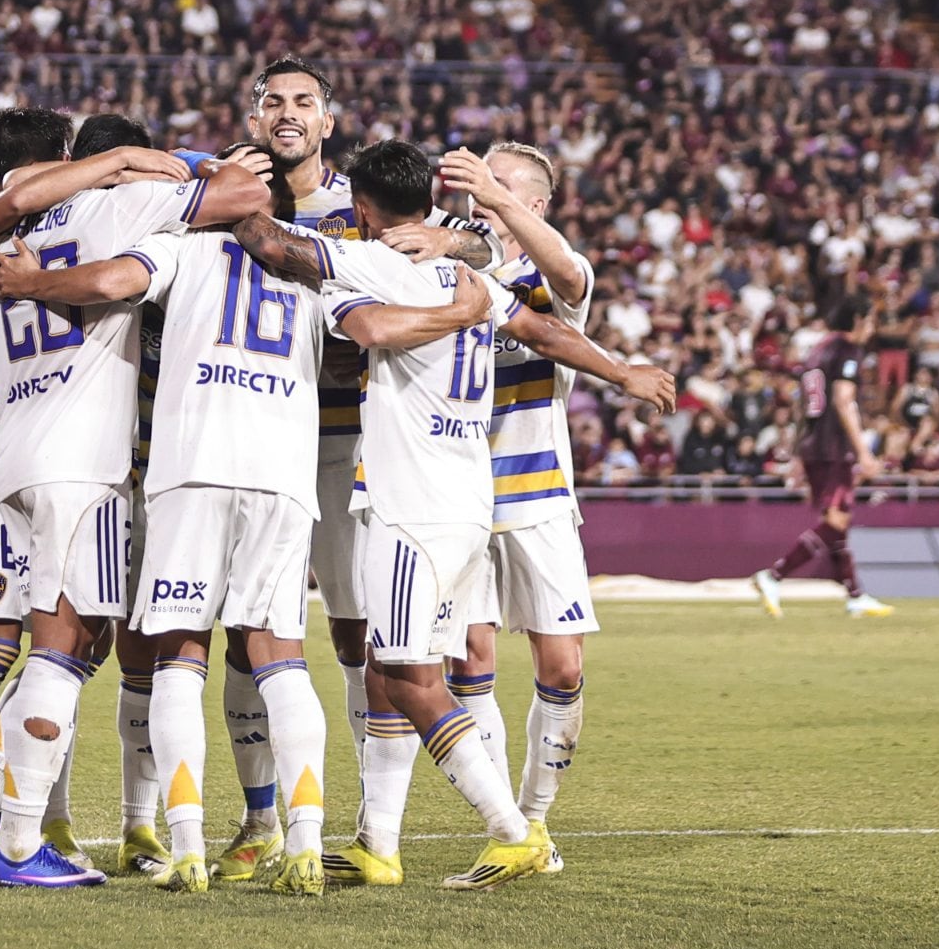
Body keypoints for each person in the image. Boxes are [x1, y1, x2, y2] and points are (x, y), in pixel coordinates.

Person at [0, 201, 492, 894]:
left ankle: (187, 846)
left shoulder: (179, 246)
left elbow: (107, 283)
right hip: (283, 477)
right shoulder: (313, 259)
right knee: (281, 657)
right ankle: (306, 840)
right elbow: (369, 332)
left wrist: (33, 282)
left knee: (179, 653)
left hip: (191, 468)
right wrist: (460, 308)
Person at [231, 141, 674, 889]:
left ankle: (512, 829)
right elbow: (542, 330)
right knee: (385, 665)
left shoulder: (370, 264)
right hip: (469, 498)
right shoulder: (470, 273)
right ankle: (378, 840)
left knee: (407, 674)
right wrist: (621, 369)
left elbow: (281, 253)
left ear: (363, 211)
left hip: (413, 507)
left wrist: (231, 189)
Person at [0, 115, 269, 888]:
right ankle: (13, 844)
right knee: (63, 650)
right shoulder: (113, 210)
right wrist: (179, 167)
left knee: (60, 642)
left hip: (13, 453)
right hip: (85, 462)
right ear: (70, 160)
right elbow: (241, 191)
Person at [346, 140, 602, 883]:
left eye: (503, 186)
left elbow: (568, 277)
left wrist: (495, 198)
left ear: (538, 204)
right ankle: (509, 833)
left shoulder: (550, 272)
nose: (479, 193)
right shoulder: (448, 267)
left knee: (561, 663)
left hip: (537, 487)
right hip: (454, 490)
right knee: (466, 660)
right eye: (473, 181)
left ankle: (535, 816)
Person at [752, 298, 894, 619]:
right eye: (870, 320)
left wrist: (801, 451)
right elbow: (844, 401)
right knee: (836, 521)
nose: (872, 327)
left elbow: (805, 404)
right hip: (834, 447)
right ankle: (774, 575)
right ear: (857, 320)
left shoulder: (817, 350)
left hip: (814, 444)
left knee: (838, 523)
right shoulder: (847, 351)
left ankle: (855, 595)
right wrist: (864, 452)